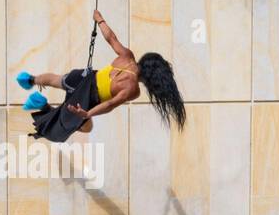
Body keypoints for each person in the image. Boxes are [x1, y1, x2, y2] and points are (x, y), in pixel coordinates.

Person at [17, 8, 186, 143]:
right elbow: (111, 104)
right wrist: (87, 114)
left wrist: (100, 20)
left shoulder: (127, 56)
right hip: (86, 99)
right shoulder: (132, 89)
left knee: (57, 80)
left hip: (83, 78)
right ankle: (44, 106)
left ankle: (30, 79)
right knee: (81, 128)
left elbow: (111, 38)